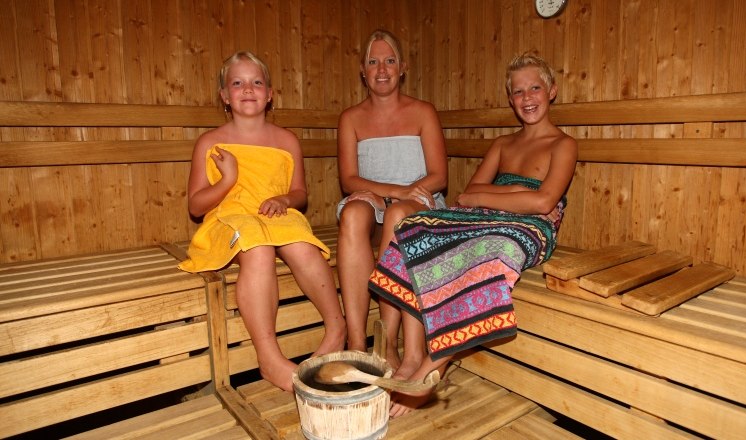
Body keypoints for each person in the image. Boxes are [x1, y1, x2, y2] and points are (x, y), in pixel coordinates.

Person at [368, 53, 577, 417]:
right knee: (416, 233)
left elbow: (545, 200)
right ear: (510, 99)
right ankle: (414, 352)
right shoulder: (502, 144)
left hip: (526, 228)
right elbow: (467, 195)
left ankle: (437, 361)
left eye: (535, 88)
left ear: (552, 91)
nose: (527, 97)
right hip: (481, 216)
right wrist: (514, 195)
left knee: (492, 250)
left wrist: (502, 196)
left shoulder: (563, 144)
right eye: (518, 91)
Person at [179, 51, 346, 392]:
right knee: (258, 249)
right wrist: (227, 181)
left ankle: (336, 329)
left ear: (270, 93)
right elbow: (196, 205)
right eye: (237, 83)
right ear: (225, 96)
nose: (248, 89)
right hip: (230, 217)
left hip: (275, 214)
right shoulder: (210, 143)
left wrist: (284, 199)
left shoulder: (286, 141)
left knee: (303, 243)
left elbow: (299, 192)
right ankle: (269, 357)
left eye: (257, 82)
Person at [336, 29, 448, 371]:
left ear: (403, 67)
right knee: (354, 214)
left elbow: (439, 175)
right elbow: (349, 179)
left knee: (399, 214)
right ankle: (357, 342)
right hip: (376, 196)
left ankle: (387, 340)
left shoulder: (423, 112)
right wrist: (388, 192)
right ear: (362, 70)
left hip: (418, 200)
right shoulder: (351, 118)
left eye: (389, 61)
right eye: (373, 62)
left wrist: (399, 194)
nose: (381, 69)